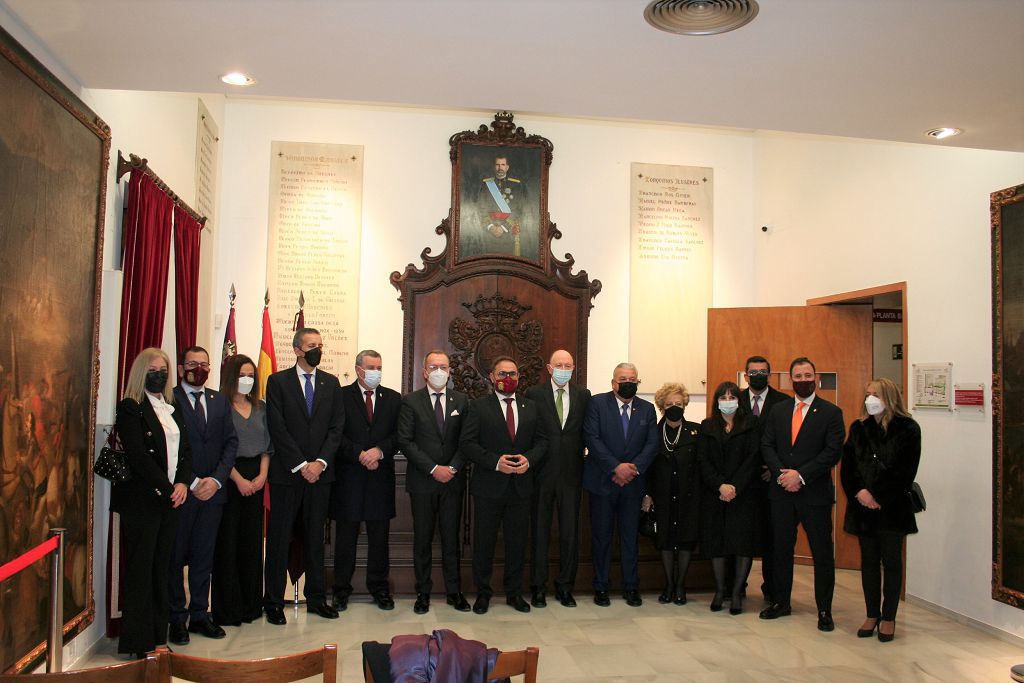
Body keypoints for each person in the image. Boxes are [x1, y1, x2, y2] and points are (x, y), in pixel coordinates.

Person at [112, 348, 192, 658]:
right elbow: (138, 455)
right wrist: (166, 486)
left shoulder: (172, 406)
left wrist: (183, 483)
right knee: (142, 570)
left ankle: (160, 637)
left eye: (163, 368)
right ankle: (139, 640)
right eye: (153, 368)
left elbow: (185, 451)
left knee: (164, 568)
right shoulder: (131, 407)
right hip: (145, 501)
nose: (159, 373)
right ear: (141, 372)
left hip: (172, 499)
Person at [263, 327, 345, 625]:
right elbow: (277, 427)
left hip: (321, 475)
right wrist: (301, 464)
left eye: (320, 345)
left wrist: (320, 462)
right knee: (279, 539)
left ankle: (316, 598)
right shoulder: (277, 382)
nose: (317, 350)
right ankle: (272, 601)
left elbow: (337, 427)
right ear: (297, 349)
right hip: (288, 474)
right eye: (312, 345)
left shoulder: (331, 383)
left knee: (314, 538)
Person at [760, 357, 846, 631]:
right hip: (782, 492)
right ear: (790, 380)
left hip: (814, 495)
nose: (803, 380)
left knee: (822, 554)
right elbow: (767, 445)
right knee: (780, 550)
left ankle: (824, 610)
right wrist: (782, 475)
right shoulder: (779, 410)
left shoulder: (831, 413)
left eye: (808, 375)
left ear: (816, 377)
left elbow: (832, 452)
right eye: (798, 376)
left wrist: (801, 475)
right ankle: (781, 602)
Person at [460, 356, 548, 614]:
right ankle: (483, 594)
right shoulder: (477, 407)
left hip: (521, 487)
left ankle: (514, 594)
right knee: (484, 543)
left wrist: (528, 460)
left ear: (519, 377)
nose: (507, 379)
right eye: (502, 374)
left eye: (512, 374)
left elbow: (542, 442)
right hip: (489, 486)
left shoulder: (531, 407)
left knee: (517, 544)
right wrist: (495, 462)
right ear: (491, 377)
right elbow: (468, 444)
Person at [840, 378, 921, 642]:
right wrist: (861, 493)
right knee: (869, 563)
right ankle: (872, 613)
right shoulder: (859, 427)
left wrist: (878, 495)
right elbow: (849, 467)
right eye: (867, 394)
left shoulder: (908, 428)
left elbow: (905, 471)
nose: (869, 399)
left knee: (892, 562)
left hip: (892, 508)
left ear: (889, 397)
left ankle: (889, 617)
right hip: (863, 508)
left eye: (875, 394)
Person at [168, 346, 238, 644]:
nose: (199, 368)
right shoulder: (169, 398)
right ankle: (176, 618)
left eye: (204, 364)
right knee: (175, 557)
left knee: (203, 557)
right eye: (193, 363)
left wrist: (217, 480)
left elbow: (230, 442)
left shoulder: (219, 400)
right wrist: (194, 480)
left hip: (214, 493)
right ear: (182, 367)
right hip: (183, 491)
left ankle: (199, 614)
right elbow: (170, 448)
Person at [396, 350, 471, 614]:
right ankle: (423, 593)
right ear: (425, 371)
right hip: (423, 482)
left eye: (444, 366)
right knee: (423, 540)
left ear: (450, 371)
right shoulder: (411, 401)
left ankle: (454, 592)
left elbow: (467, 441)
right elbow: (405, 441)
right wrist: (432, 468)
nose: (439, 371)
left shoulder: (462, 401)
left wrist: (451, 467)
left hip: (452, 481)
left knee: (452, 540)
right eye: (433, 366)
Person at [583, 362, 659, 607]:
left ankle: (631, 586)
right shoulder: (596, 404)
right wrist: (616, 467)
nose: (628, 383)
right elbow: (592, 439)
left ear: (638, 382)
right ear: (613, 382)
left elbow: (651, 444)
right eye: (623, 379)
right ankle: (601, 587)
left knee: (629, 538)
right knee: (602, 538)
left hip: (633, 485)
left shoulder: (647, 409)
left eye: (633, 379)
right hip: (603, 482)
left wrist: (632, 469)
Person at [331, 350, 402, 612]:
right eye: (371, 367)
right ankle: (341, 590)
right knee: (346, 539)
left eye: (379, 367)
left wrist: (380, 451)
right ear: (358, 369)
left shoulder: (393, 399)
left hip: (380, 479)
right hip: (348, 478)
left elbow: (399, 435)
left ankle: (379, 588)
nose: (376, 372)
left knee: (379, 539)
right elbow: (335, 433)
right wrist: (358, 453)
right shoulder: (340, 396)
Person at [524, 350, 591, 608]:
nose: (563, 368)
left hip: (572, 474)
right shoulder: (533, 394)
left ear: (573, 368)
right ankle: (538, 588)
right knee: (540, 532)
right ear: (549, 368)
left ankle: (565, 587)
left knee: (569, 534)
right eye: (558, 365)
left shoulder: (583, 396)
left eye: (568, 365)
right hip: (541, 474)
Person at [211, 354, 272, 627]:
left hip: (257, 477)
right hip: (229, 478)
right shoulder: (220, 406)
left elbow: (268, 447)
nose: (246, 380)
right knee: (229, 543)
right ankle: (228, 609)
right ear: (230, 377)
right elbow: (220, 449)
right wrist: (237, 479)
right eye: (242, 375)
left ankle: (251, 606)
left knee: (251, 544)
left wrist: (261, 477)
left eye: (251, 375)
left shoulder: (261, 407)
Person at [700, 381, 761, 615]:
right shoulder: (707, 426)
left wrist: (735, 486)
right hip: (715, 494)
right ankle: (719, 590)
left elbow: (753, 459)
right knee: (717, 542)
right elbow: (703, 461)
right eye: (723, 398)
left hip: (743, 494)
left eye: (732, 397)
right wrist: (720, 485)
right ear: (716, 402)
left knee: (742, 543)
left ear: (739, 400)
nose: (728, 402)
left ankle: (736, 593)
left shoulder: (751, 425)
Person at [641, 382, 700, 606]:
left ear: (684, 404)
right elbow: (646, 466)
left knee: (684, 541)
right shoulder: (653, 432)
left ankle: (681, 586)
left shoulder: (696, 431)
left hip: (689, 496)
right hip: (662, 495)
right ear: (661, 406)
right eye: (669, 404)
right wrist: (647, 494)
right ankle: (668, 584)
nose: (674, 407)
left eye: (678, 403)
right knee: (665, 540)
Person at [739, 355, 790, 606]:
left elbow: (790, 440)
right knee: (742, 534)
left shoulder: (783, 402)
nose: (757, 375)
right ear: (745, 375)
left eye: (763, 372)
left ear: (769, 375)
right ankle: (737, 585)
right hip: (742, 481)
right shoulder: (733, 400)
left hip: (773, 479)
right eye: (753, 372)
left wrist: (775, 468)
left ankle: (771, 588)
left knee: (773, 536)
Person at [462, 154, 538, 259]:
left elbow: (519, 209)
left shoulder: (516, 185)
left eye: (503, 165)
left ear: (507, 167)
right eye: (497, 165)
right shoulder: (486, 185)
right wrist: (490, 226)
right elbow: (480, 208)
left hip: (509, 233)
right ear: (494, 167)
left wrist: (503, 227)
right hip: (488, 234)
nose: (500, 168)